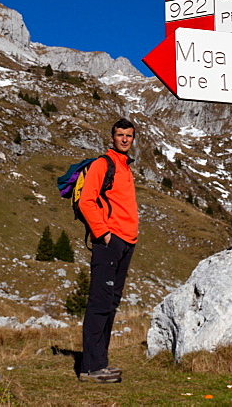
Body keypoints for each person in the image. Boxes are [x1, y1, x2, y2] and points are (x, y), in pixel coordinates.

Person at [77, 118, 138, 383]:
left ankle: (100, 362)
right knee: (100, 303)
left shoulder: (125, 167)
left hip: (126, 242)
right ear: (112, 137)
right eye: (120, 135)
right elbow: (85, 201)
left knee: (110, 304)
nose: (124, 139)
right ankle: (89, 368)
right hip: (109, 243)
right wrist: (104, 234)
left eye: (129, 135)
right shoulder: (104, 164)